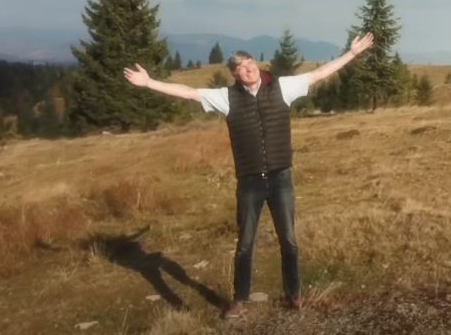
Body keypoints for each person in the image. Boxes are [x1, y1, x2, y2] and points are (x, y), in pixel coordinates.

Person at [123, 32, 374, 318]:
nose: (249, 68)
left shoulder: (283, 88)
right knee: (245, 243)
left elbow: (318, 74)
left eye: (251, 62)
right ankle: (239, 300)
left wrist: (351, 54)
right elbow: (189, 93)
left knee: (289, 240)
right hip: (250, 183)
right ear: (235, 74)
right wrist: (149, 83)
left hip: (281, 179)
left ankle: (294, 295)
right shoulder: (226, 98)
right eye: (241, 66)